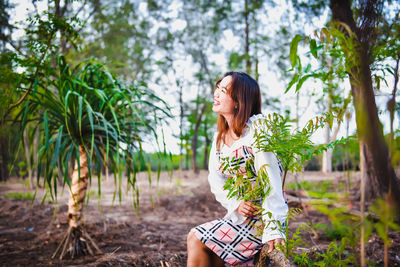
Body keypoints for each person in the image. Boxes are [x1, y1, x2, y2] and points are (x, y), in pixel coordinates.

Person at [187, 71, 288, 266]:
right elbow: (215, 181)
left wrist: (273, 228)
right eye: (217, 88)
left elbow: (271, 181)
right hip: (239, 216)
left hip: (262, 219)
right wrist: (236, 203)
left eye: (223, 90)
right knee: (210, 251)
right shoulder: (219, 139)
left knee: (196, 237)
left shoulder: (258, 131)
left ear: (238, 101)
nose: (216, 94)